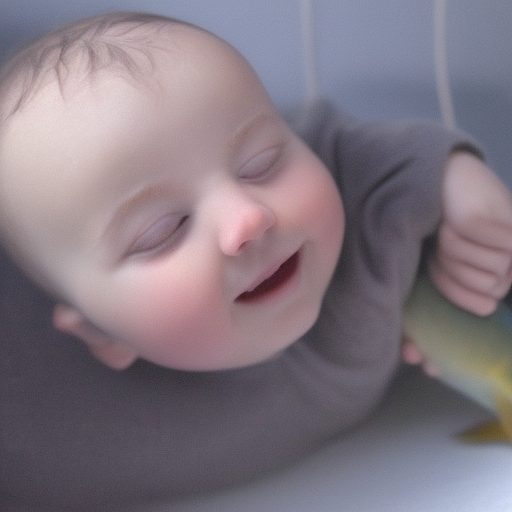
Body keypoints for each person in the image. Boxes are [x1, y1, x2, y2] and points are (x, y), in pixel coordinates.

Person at [1, 11, 512, 511]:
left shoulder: (361, 227)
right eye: (163, 231)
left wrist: (456, 181)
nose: (248, 218)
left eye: (260, 163)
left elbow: (355, 154)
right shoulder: (40, 423)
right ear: (97, 332)